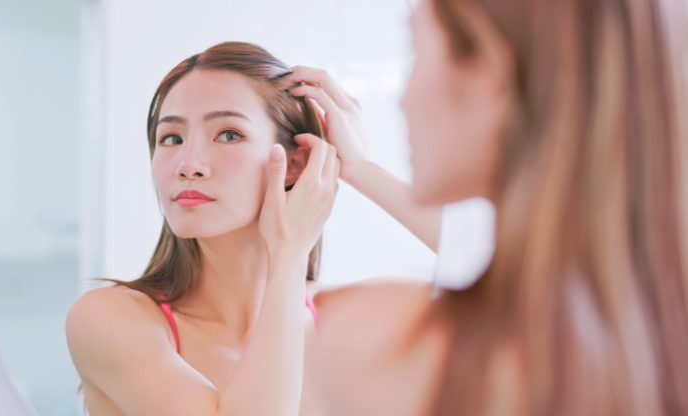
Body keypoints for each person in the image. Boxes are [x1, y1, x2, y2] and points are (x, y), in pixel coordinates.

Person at [290, 0, 688, 414]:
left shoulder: (372, 344)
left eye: (418, 50)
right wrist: (360, 170)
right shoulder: (652, 339)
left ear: (492, 76)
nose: (402, 100)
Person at [65, 41, 339, 415]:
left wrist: (362, 168)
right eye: (171, 138)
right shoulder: (109, 320)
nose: (188, 164)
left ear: (295, 163)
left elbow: (450, 265)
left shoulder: (344, 321)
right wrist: (288, 256)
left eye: (228, 134)